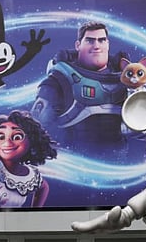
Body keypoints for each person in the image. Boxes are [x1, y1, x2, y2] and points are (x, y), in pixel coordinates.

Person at [30, 20, 130, 158]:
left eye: (101, 40)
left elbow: (143, 130)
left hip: (120, 165)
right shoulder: (58, 82)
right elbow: (35, 131)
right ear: (78, 45)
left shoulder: (129, 79)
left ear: (108, 44)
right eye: (90, 41)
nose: (96, 46)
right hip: (75, 168)